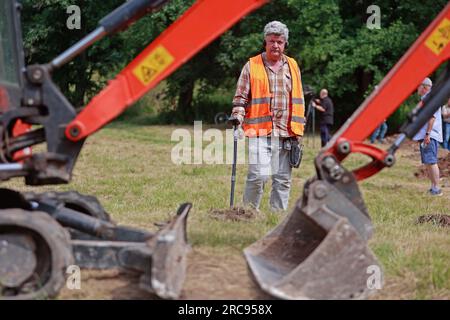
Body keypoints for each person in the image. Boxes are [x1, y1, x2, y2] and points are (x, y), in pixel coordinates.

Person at [230, 21, 305, 211]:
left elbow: (299, 98)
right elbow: (240, 98)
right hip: (259, 132)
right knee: (258, 176)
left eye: (279, 42)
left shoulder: (293, 65)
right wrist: (237, 118)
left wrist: (299, 130)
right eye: (271, 41)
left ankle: (275, 218)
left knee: (282, 180)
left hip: (287, 132)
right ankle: (247, 213)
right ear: (265, 41)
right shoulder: (251, 65)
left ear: (285, 43)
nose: (275, 45)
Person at [413, 78, 443, 196]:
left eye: (418, 86)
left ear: (424, 87)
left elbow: (432, 117)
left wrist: (427, 134)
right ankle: (433, 187)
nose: (417, 89)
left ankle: (436, 189)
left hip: (430, 135)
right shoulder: (427, 99)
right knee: (428, 162)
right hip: (428, 135)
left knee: (431, 161)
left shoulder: (430, 99)